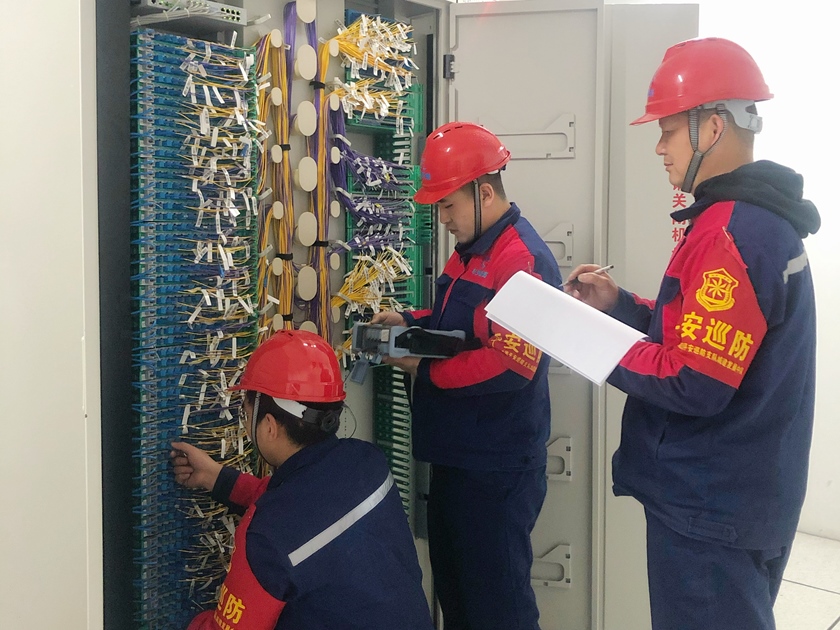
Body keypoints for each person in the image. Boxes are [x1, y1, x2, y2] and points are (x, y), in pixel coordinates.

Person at [567, 38, 820, 630]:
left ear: (712, 127)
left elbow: (692, 379)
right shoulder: (754, 222)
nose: (659, 148)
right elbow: (703, 335)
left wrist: (589, 342)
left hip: (711, 505)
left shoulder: (731, 232)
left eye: (667, 132)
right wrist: (620, 306)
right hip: (741, 491)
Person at [372, 122, 563, 630]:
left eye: (448, 205)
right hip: (458, 458)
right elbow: (457, 324)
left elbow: (511, 363)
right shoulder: (472, 252)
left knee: (498, 609)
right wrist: (410, 322)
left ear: (484, 193)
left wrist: (425, 371)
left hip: (496, 469)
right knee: (457, 598)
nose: (442, 219)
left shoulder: (521, 261)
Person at [170, 329, 433, 630]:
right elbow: (306, 509)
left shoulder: (267, 541)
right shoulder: (368, 463)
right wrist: (217, 478)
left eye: (246, 413)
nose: (245, 421)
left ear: (269, 426)